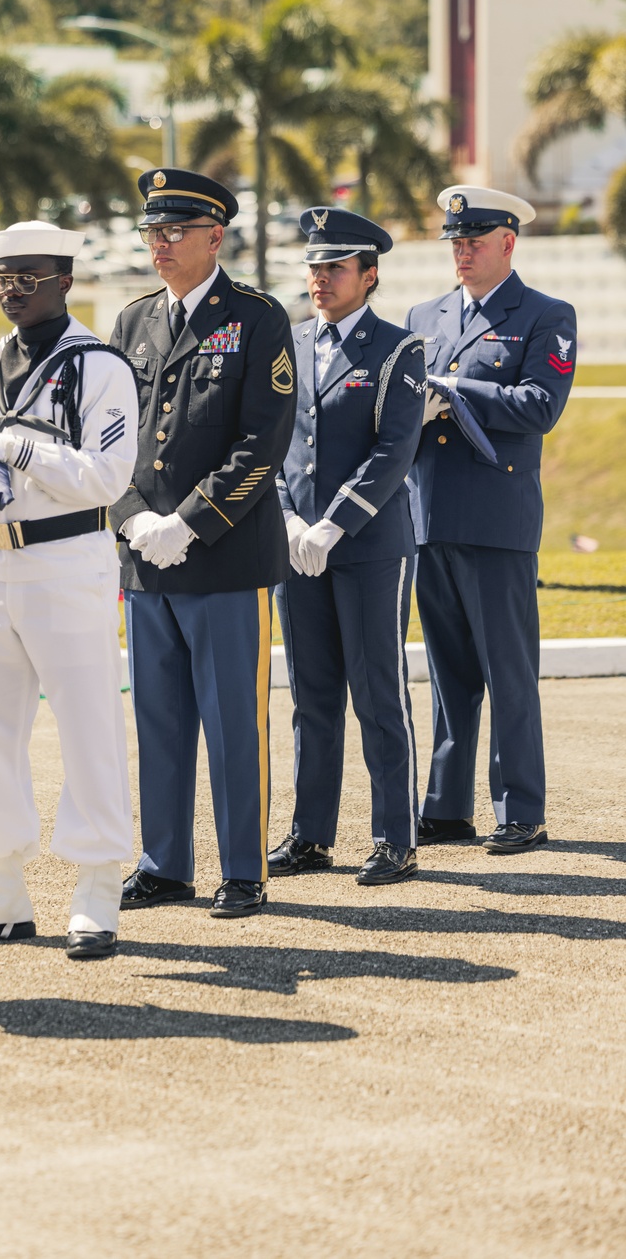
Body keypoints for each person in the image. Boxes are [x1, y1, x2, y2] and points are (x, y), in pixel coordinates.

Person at [0, 221, 138, 960]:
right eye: (3, 276)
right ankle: (3, 886)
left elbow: (107, 477)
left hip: (68, 557)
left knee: (87, 723)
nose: (13, 288)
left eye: (29, 275)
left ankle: (97, 885)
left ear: (65, 280)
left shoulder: (98, 367)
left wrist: (25, 450)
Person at [112, 168, 296, 917]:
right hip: (145, 563)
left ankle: (243, 869)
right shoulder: (130, 322)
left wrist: (187, 522)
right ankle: (164, 862)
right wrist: (129, 516)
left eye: (175, 229)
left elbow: (264, 441)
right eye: (152, 229)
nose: (160, 242)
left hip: (222, 557)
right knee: (158, 720)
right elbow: (110, 437)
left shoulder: (257, 317)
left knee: (231, 720)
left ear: (215, 235)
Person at [407, 186, 577, 854]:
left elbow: (540, 404)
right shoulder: (426, 314)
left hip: (495, 519)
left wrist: (453, 391)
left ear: (509, 241)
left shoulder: (542, 315)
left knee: (507, 673)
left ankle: (521, 809)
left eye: (474, 240)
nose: (462, 251)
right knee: (448, 676)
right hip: (429, 515)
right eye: (455, 240)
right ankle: (447, 807)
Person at [268, 209, 426, 886]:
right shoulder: (291, 343)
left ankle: (396, 836)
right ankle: (311, 835)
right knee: (313, 693)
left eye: (335, 267)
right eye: (314, 266)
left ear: (369, 275)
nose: (320, 278)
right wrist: (289, 521)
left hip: (367, 547)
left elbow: (394, 450)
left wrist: (333, 522)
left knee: (378, 690)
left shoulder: (398, 349)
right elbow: (271, 439)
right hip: (298, 548)